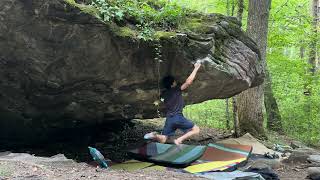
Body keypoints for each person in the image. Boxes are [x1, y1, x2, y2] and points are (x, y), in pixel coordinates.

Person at [145, 62, 201, 145]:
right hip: (177, 117)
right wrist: (196, 68)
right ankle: (179, 140)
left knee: (163, 139)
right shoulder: (176, 90)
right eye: (174, 81)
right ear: (172, 84)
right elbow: (188, 82)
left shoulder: (164, 94)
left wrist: (157, 100)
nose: (176, 82)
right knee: (196, 130)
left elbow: (158, 100)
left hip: (169, 119)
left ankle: (154, 135)